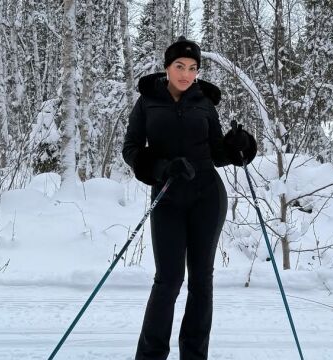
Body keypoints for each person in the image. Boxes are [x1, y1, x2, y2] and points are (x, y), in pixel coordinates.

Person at [122, 36, 257, 360]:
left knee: (201, 282)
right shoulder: (148, 101)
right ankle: (151, 355)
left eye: (192, 68)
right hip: (167, 197)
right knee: (167, 281)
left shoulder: (203, 102)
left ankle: (194, 356)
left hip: (206, 198)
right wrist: (162, 167)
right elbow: (131, 149)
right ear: (167, 67)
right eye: (179, 66)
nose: (186, 74)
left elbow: (217, 152)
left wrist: (241, 146)